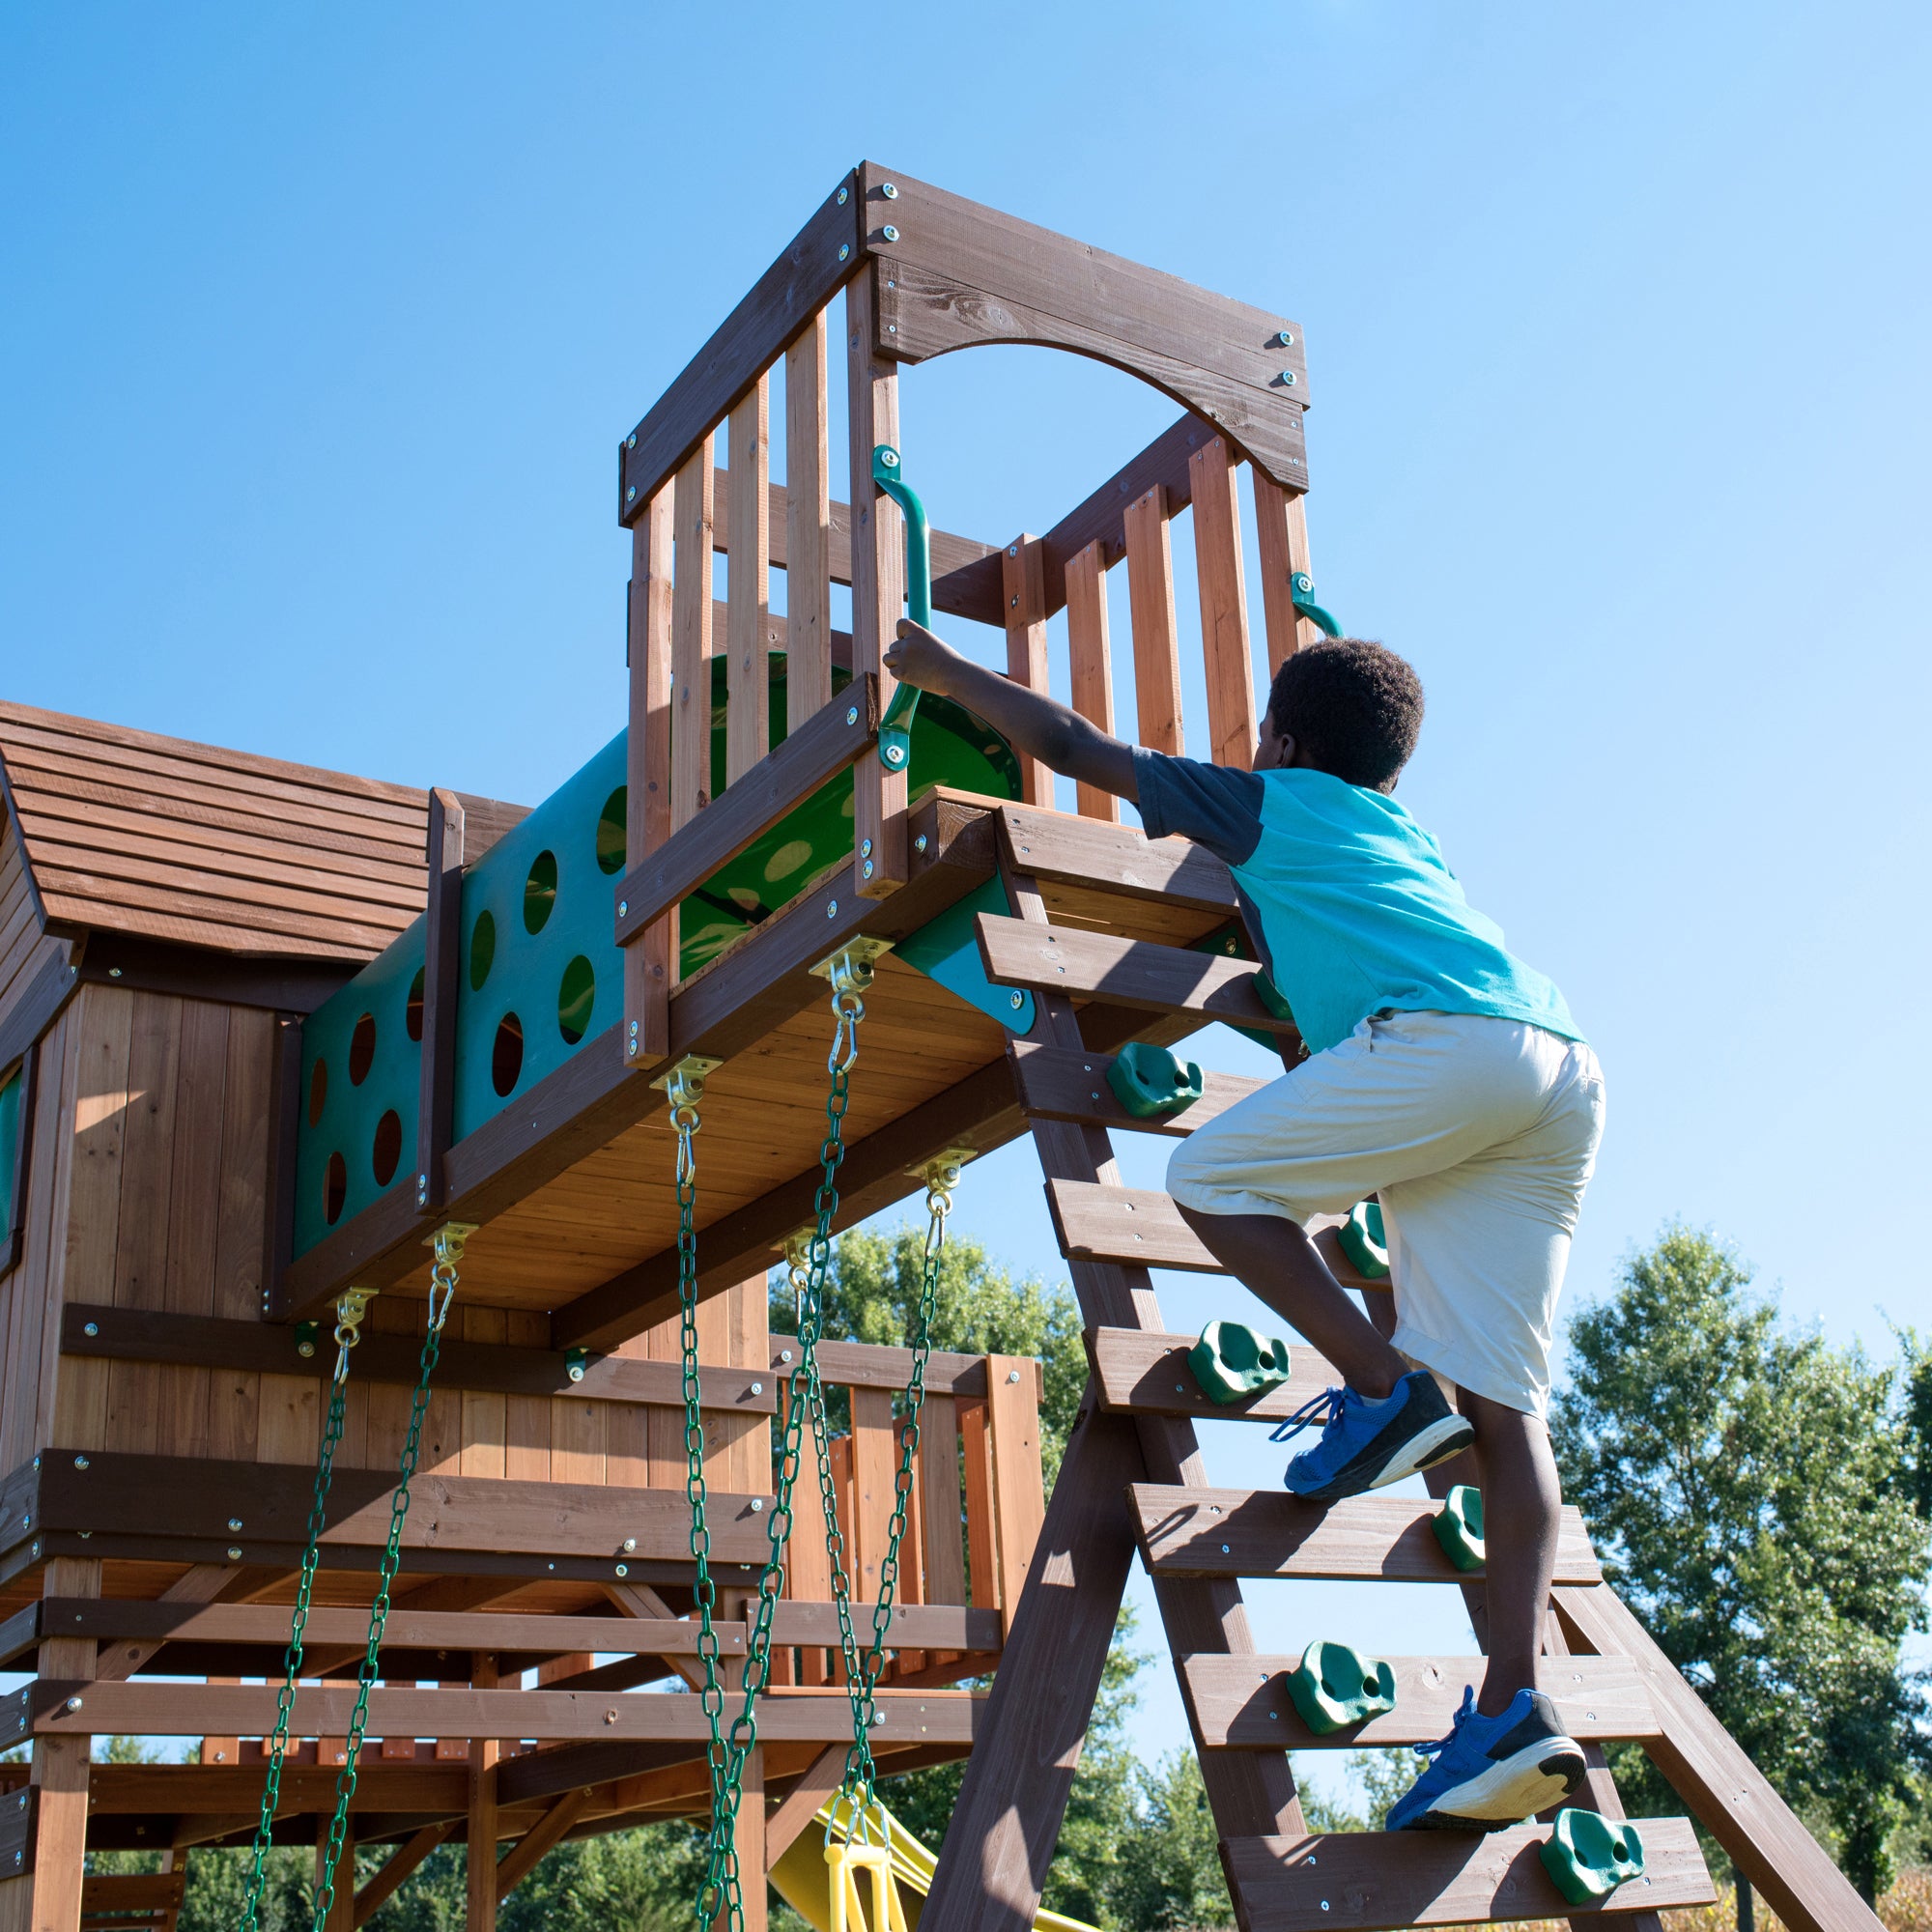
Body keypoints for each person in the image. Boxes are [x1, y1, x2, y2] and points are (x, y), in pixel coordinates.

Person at [882, 617, 1605, 1833]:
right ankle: (1515, 1705)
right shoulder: (1396, 836)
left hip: (1445, 1047)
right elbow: (1295, 977)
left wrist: (941, 671)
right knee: (1507, 1404)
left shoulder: (1265, 800)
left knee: (1212, 1178)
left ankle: (1381, 1385)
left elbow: (1075, 743)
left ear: (1277, 740)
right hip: (1556, 1064)